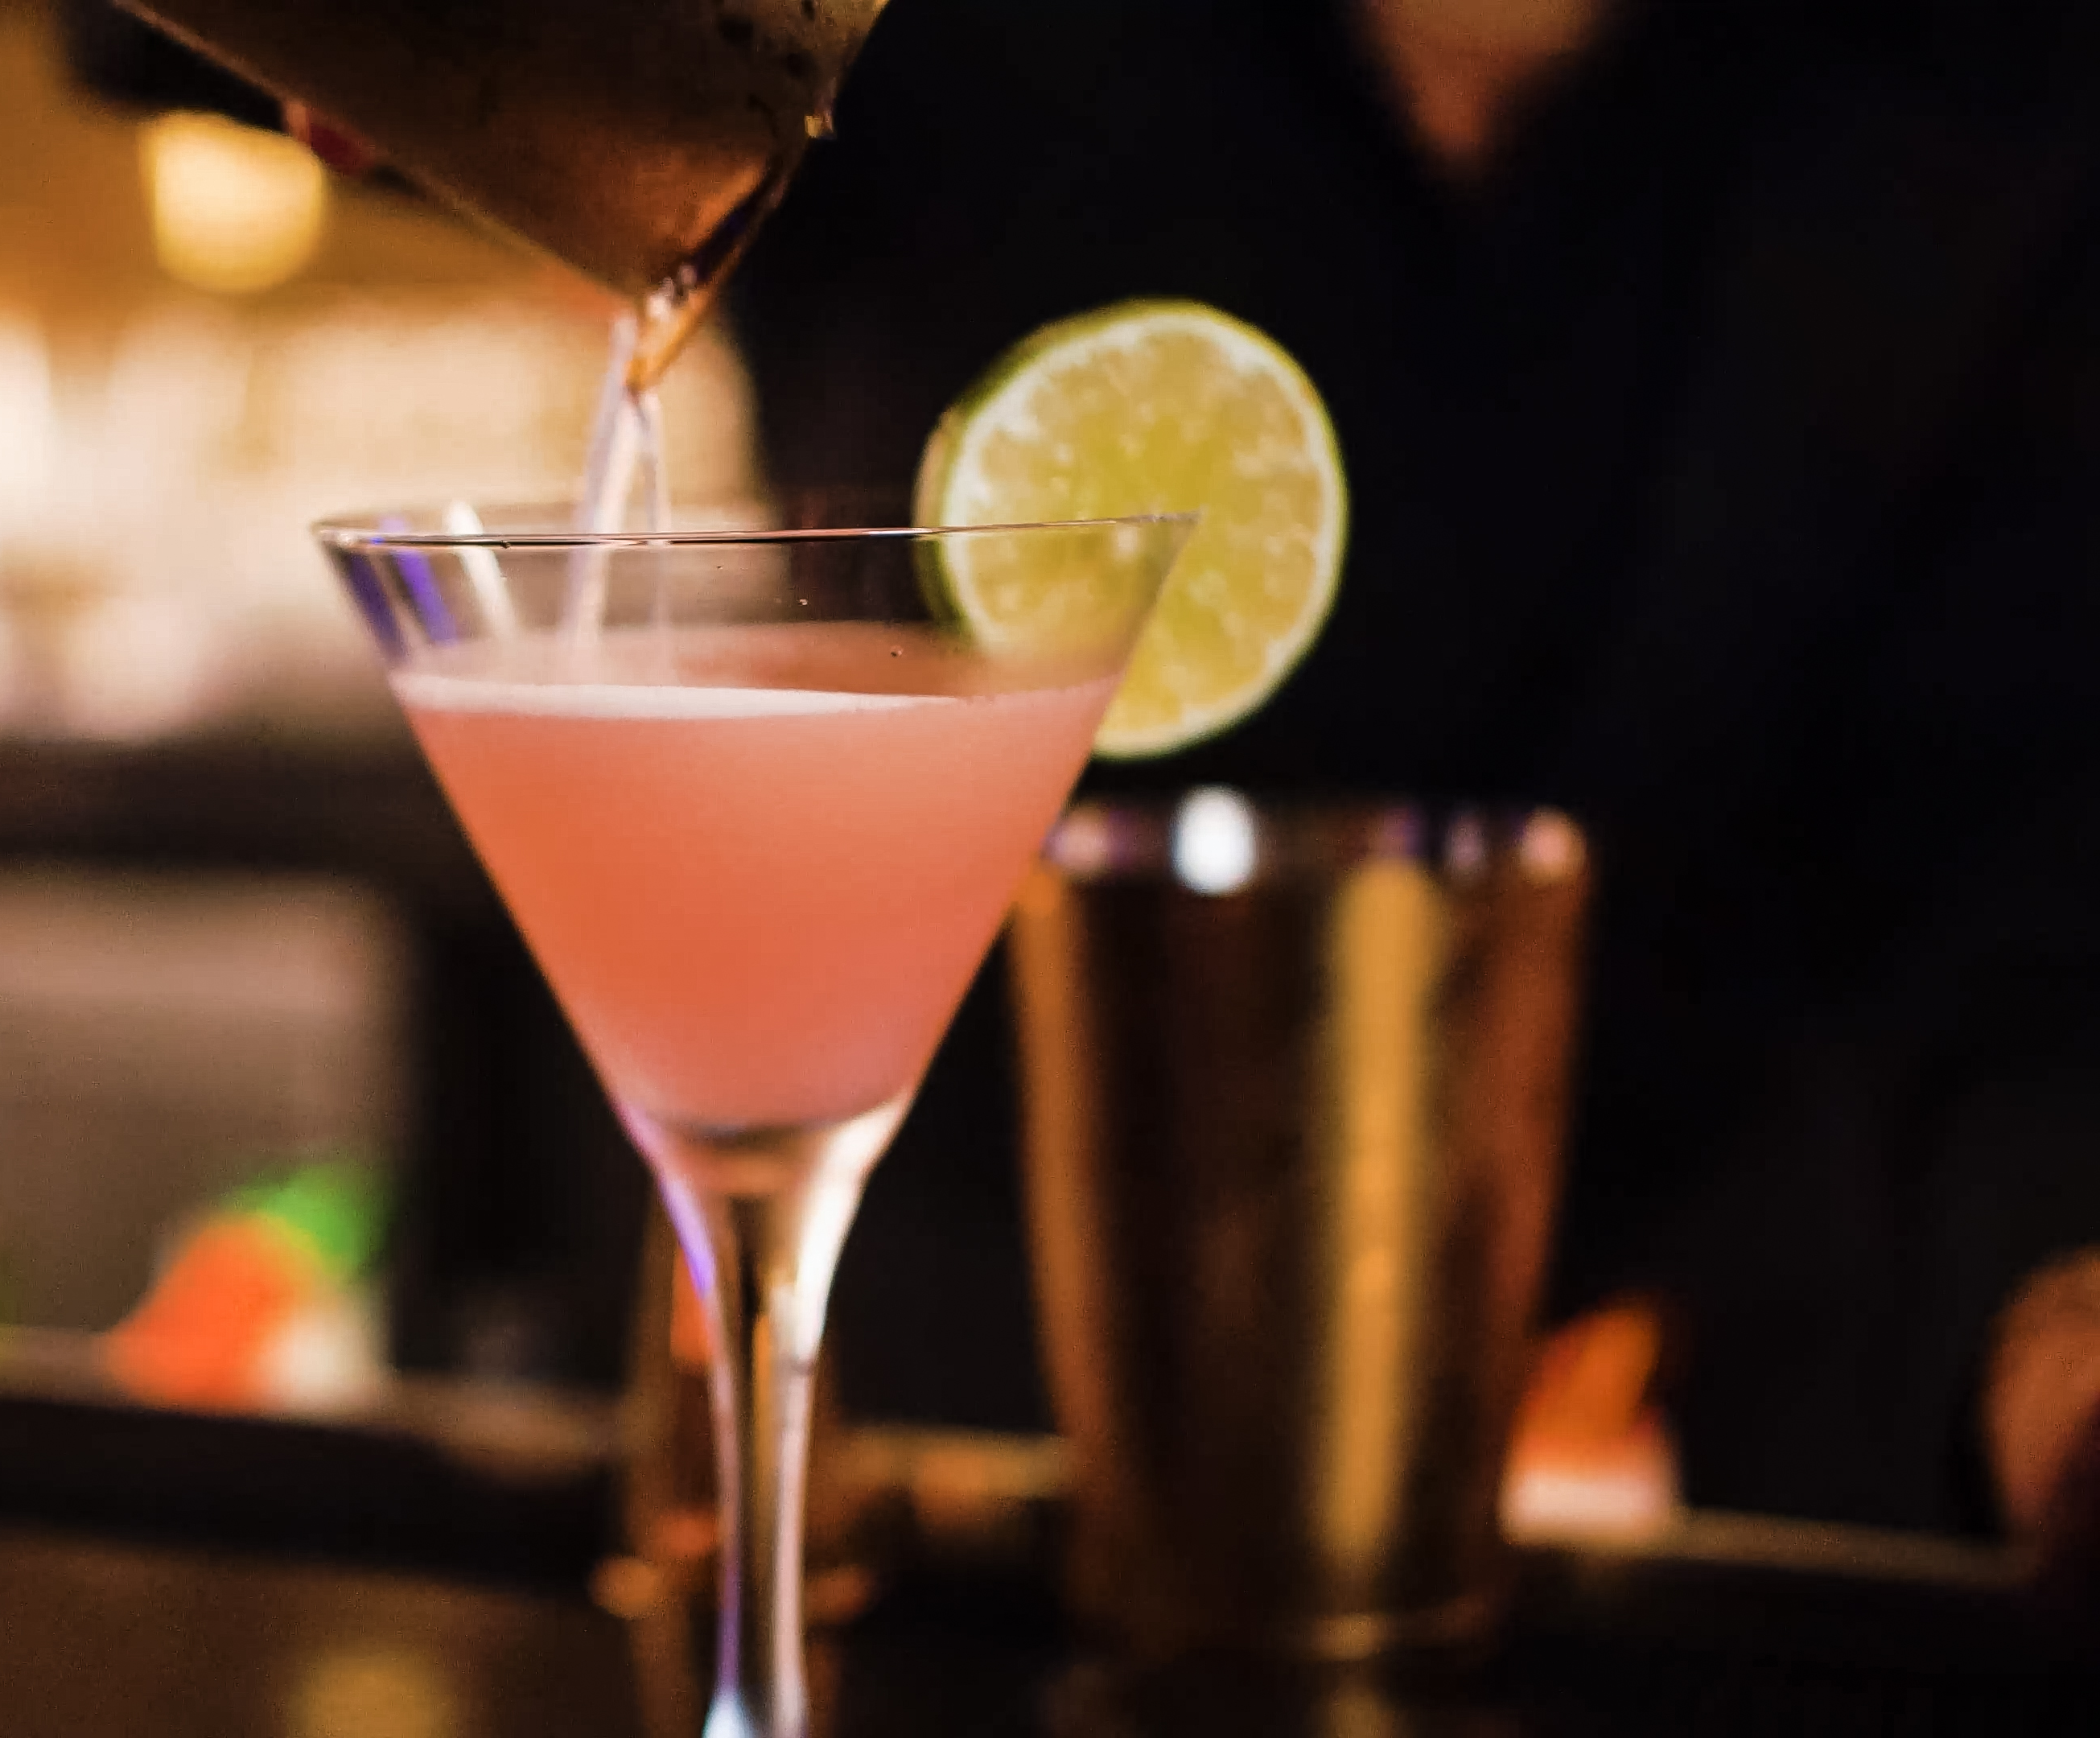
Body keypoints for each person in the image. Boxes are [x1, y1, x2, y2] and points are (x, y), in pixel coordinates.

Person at [719, 0, 2100, 1565]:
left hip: (1708, 1537)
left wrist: (2053, 1343)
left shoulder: (2014, 95)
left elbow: (2027, 906)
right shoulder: (888, 40)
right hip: (924, 1485)